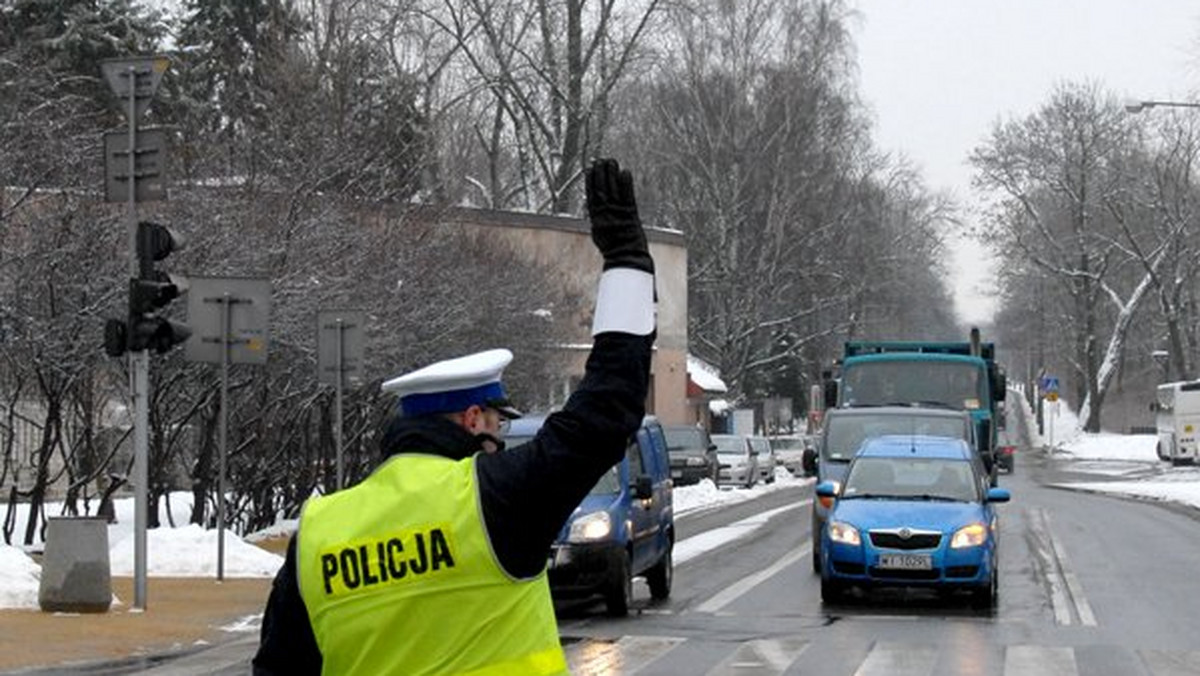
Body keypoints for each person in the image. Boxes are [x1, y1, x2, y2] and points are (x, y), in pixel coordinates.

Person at [251, 157, 656, 675]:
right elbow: (604, 412)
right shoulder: (494, 499)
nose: (501, 439)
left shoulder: (320, 534)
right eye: (497, 423)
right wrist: (626, 261)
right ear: (471, 420)